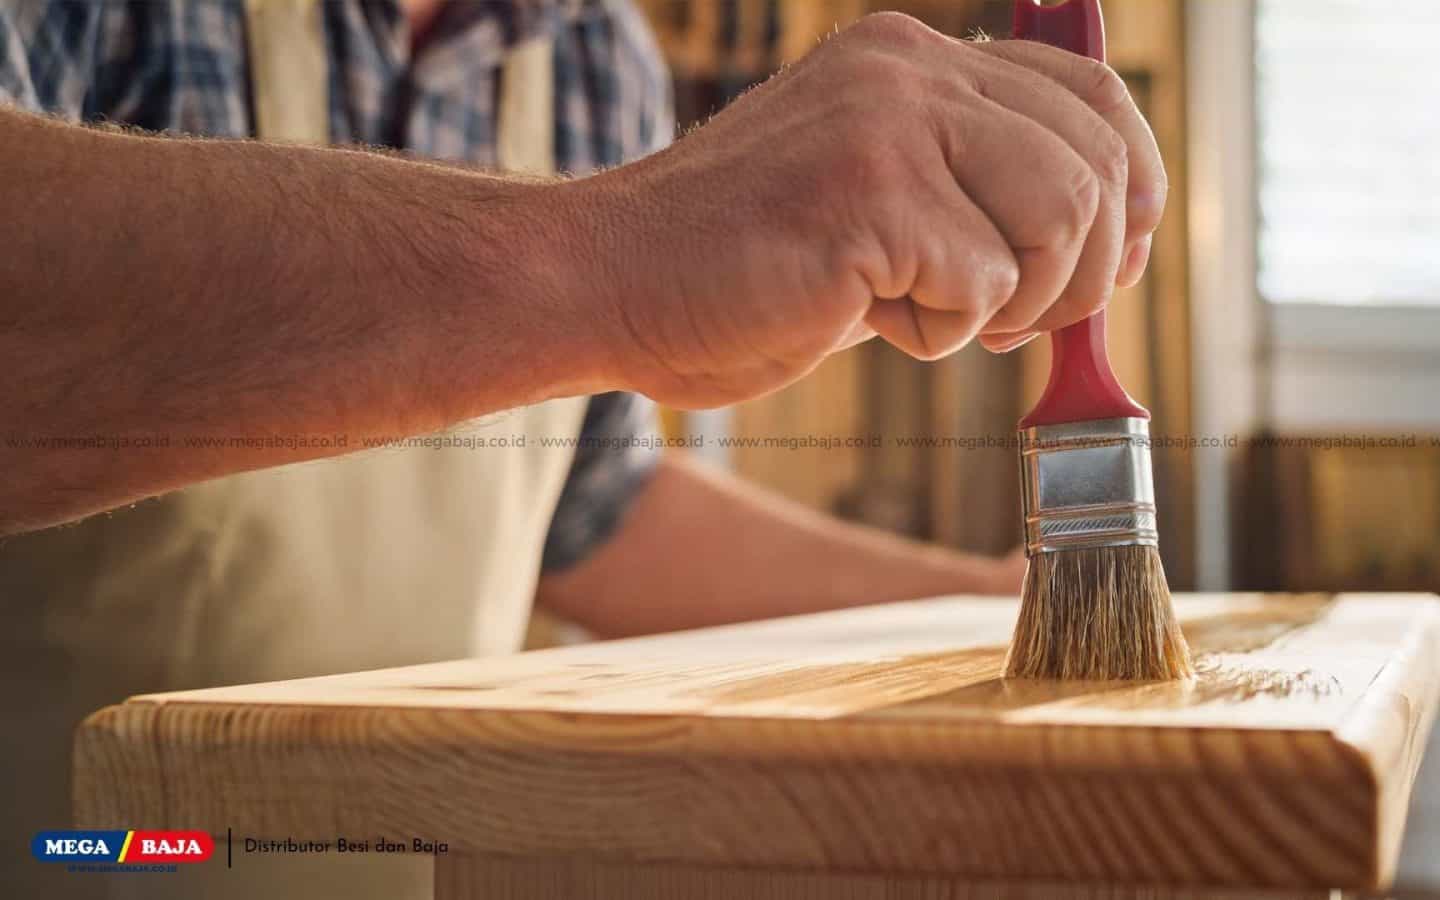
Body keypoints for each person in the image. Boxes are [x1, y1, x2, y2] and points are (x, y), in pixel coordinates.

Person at [0, 1, 1166, 897]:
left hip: (402, 867)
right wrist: (606, 260)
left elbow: (591, 520)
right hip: (76, 852)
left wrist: (979, 604)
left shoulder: (598, 55)